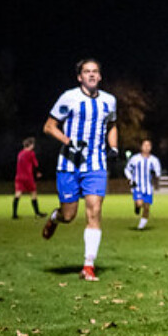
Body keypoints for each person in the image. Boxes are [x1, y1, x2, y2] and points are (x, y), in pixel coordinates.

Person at [41, 59, 118, 282]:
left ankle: (88, 265)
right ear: (79, 77)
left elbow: (112, 124)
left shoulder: (109, 101)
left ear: (100, 76)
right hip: (68, 165)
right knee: (69, 215)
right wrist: (68, 141)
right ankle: (54, 218)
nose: (92, 75)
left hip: (95, 165)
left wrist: (113, 146)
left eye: (95, 71)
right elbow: (48, 126)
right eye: (87, 72)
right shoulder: (69, 98)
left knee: (94, 210)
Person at [124, 140, 162, 230]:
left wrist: (156, 177)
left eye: (148, 145)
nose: (146, 147)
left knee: (147, 208)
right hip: (137, 185)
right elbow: (127, 169)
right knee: (139, 203)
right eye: (145, 145)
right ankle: (137, 207)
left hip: (148, 187)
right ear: (141, 147)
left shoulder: (154, 160)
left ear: (151, 147)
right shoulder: (135, 159)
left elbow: (158, 173)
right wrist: (130, 179)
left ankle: (141, 226)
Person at [13, 137, 43, 219]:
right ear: (30, 145)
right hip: (28, 177)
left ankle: (14, 214)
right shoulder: (31, 153)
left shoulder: (20, 153)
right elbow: (35, 164)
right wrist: (38, 172)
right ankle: (37, 213)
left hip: (19, 177)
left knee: (18, 194)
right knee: (33, 193)